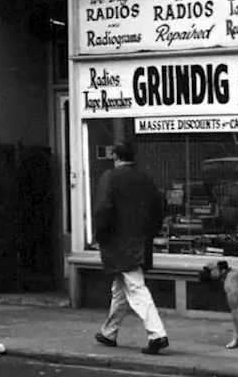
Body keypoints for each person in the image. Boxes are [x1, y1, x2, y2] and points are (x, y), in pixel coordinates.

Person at [92, 143, 169, 355]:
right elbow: (160, 208)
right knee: (120, 289)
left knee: (135, 287)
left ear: (115, 157)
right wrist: (150, 234)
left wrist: (100, 235)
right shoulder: (146, 179)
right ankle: (109, 332)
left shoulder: (110, 177)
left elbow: (102, 210)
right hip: (141, 242)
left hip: (118, 243)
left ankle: (157, 334)